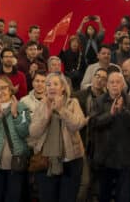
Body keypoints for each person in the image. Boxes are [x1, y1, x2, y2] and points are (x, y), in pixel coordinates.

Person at [29, 72, 86, 202]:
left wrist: (62, 110)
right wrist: (46, 116)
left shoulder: (73, 103)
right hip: (46, 162)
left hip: (71, 161)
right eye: (48, 84)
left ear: (63, 87)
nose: (51, 87)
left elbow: (78, 124)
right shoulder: (41, 105)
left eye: (55, 84)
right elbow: (33, 132)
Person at [91, 71, 130, 202]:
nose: (114, 85)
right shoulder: (99, 101)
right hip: (105, 157)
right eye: (111, 82)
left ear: (123, 85)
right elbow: (93, 123)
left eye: (118, 82)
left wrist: (123, 111)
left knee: (123, 197)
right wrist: (110, 115)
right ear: (106, 85)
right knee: (104, 195)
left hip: (125, 157)